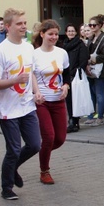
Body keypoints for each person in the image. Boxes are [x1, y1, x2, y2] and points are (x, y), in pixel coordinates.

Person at [0, 8, 42, 200]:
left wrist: (36, 91)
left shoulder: (29, 47)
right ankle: (7, 188)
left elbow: (31, 73)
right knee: (12, 149)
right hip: (7, 109)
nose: (24, 27)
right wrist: (14, 80)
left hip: (27, 105)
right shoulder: (0, 51)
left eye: (25, 23)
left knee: (35, 144)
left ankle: (13, 168)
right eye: (19, 24)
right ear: (8, 26)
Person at [32, 19, 69, 185]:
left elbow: (67, 73)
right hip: (43, 102)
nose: (54, 37)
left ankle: (41, 151)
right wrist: (36, 92)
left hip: (58, 101)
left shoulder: (61, 53)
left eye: (56, 34)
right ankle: (44, 171)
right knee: (49, 136)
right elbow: (31, 75)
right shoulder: (34, 54)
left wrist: (67, 86)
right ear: (42, 34)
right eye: (50, 34)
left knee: (60, 139)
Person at [62, 23, 88, 133]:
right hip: (66, 76)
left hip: (75, 75)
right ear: (66, 33)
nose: (71, 33)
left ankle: (74, 122)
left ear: (76, 32)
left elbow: (84, 59)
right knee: (68, 100)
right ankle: (71, 121)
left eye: (73, 31)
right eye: (69, 31)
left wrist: (75, 71)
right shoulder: (64, 45)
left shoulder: (80, 44)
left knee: (75, 100)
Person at [84, 16, 104, 126]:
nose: (92, 27)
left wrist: (91, 60)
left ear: (100, 25)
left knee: (99, 93)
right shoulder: (91, 37)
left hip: (99, 69)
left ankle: (100, 117)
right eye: (90, 25)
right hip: (90, 68)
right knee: (91, 93)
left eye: (94, 25)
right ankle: (91, 115)